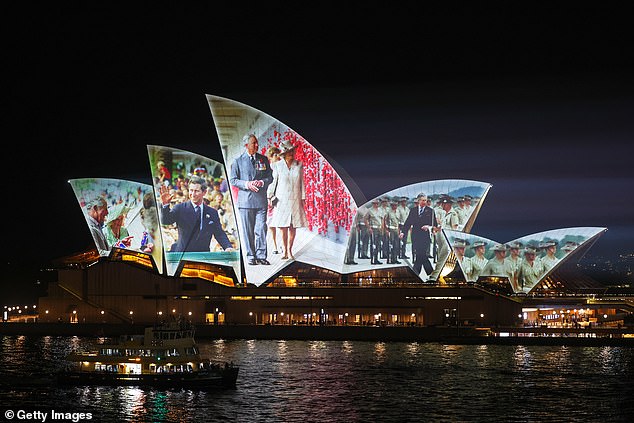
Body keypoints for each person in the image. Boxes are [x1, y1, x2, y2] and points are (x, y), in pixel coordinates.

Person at [159, 176, 233, 252]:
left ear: (204, 192)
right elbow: (165, 221)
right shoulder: (180, 208)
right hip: (183, 255)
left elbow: (219, 233)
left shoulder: (212, 212)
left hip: (203, 256)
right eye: (191, 190)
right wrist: (165, 205)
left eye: (196, 191)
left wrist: (227, 247)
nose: (193, 194)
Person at [230, 134, 273, 265]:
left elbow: (270, 177)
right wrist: (247, 184)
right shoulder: (238, 161)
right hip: (245, 202)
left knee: (261, 229)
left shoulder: (263, 159)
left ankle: (261, 256)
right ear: (246, 145)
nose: (256, 145)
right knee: (248, 231)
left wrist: (261, 182)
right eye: (253, 143)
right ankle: (250, 255)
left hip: (261, 201)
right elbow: (233, 180)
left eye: (257, 143)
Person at [267, 140, 308, 260]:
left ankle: (290, 250)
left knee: (292, 226)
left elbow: (302, 183)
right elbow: (274, 182)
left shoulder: (299, 165)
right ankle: (284, 251)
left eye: (292, 151)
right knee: (282, 226)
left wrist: (303, 198)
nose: (291, 153)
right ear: (284, 154)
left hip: (295, 199)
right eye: (288, 151)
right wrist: (270, 195)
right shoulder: (277, 166)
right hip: (281, 199)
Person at [400, 193, 439, 279]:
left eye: (425, 200)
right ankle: (431, 274)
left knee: (420, 254)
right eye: (423, 200)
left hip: (425, 236)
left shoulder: (431, 211)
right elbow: (408, 222)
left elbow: (435, 225)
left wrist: (428, 227)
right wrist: (403, 232)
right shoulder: (413, 210)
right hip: (415, 236)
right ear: (418, 201)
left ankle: (415, 274)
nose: (424, 202)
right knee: (420, 255)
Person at [265, 146, 281, 254]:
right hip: (269, 197)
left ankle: (280, 245)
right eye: (275, 155)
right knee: (271, 223)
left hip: (279, 196)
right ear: (271, 156)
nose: (278, 157)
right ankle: (275, 245)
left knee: (281, 222)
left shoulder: (281, 167)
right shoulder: (268, 169)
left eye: (278, 154)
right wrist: (269, 196)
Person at [383, 199, 402, 264]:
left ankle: (395, 258)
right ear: (391, 206)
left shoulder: (398, 212)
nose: (395, 206)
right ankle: (389, 259)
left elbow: (398, 222)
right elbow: (385, 221)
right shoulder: (388, 212)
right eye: (393, 205)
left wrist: (399, 230)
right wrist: (386, 230)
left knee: (396, 245)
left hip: (396, 229)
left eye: (396, 205)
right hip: (391, 229)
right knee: (390, 245)